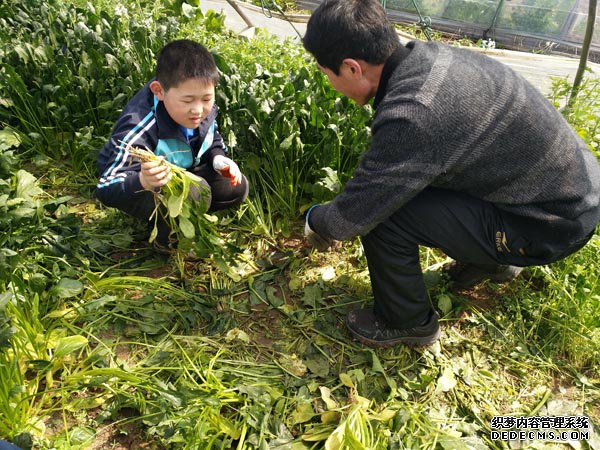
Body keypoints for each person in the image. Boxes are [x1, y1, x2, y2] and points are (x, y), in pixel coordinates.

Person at [302, 0, 600, 348]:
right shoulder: (428, 58)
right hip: (571, 193)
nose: (330, 84)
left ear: (352, 67)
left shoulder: (414, 113)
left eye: (327, 75)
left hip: (549, 224)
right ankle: (492, 263)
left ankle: (406, 322)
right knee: (407, 188)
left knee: (382, 213)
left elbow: (353, 216)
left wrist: (316, 219)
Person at [96, 39, 248, 252]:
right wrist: (142, 181)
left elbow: (212, 138)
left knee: (235, 186)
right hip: (143, 185)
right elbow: (105, 187)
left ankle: (186, 216)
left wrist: (218, 158)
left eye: (207, 99)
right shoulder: (140, 125)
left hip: (183, 170)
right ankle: (165, 239)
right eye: (187, 101)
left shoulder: (204, 108)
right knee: (195, 191)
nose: (198, 110)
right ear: (159, 91)